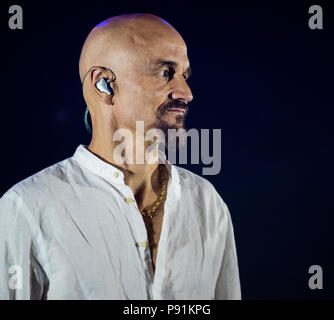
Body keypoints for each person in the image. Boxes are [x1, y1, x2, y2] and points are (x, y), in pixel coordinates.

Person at [0, 13, 241, 299]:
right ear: (104, 84)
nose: (186, 93)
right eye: (166, 73)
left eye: (184, 75)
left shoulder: (206, 202)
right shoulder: (28, 207)